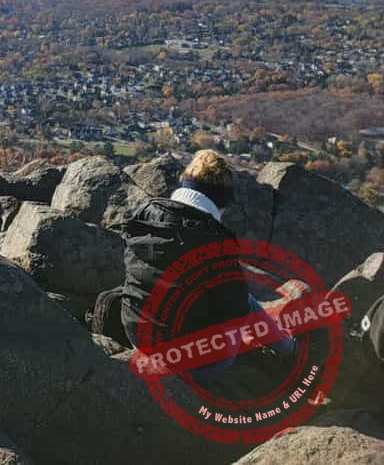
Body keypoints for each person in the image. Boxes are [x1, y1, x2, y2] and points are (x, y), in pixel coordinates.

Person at [119, 150, 294, 383]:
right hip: (194, 364)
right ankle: (287, 348)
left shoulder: (147, 212)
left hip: (137, 336)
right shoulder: (215, 241)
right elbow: (235, 312)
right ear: (221, 201)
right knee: (245, 300)